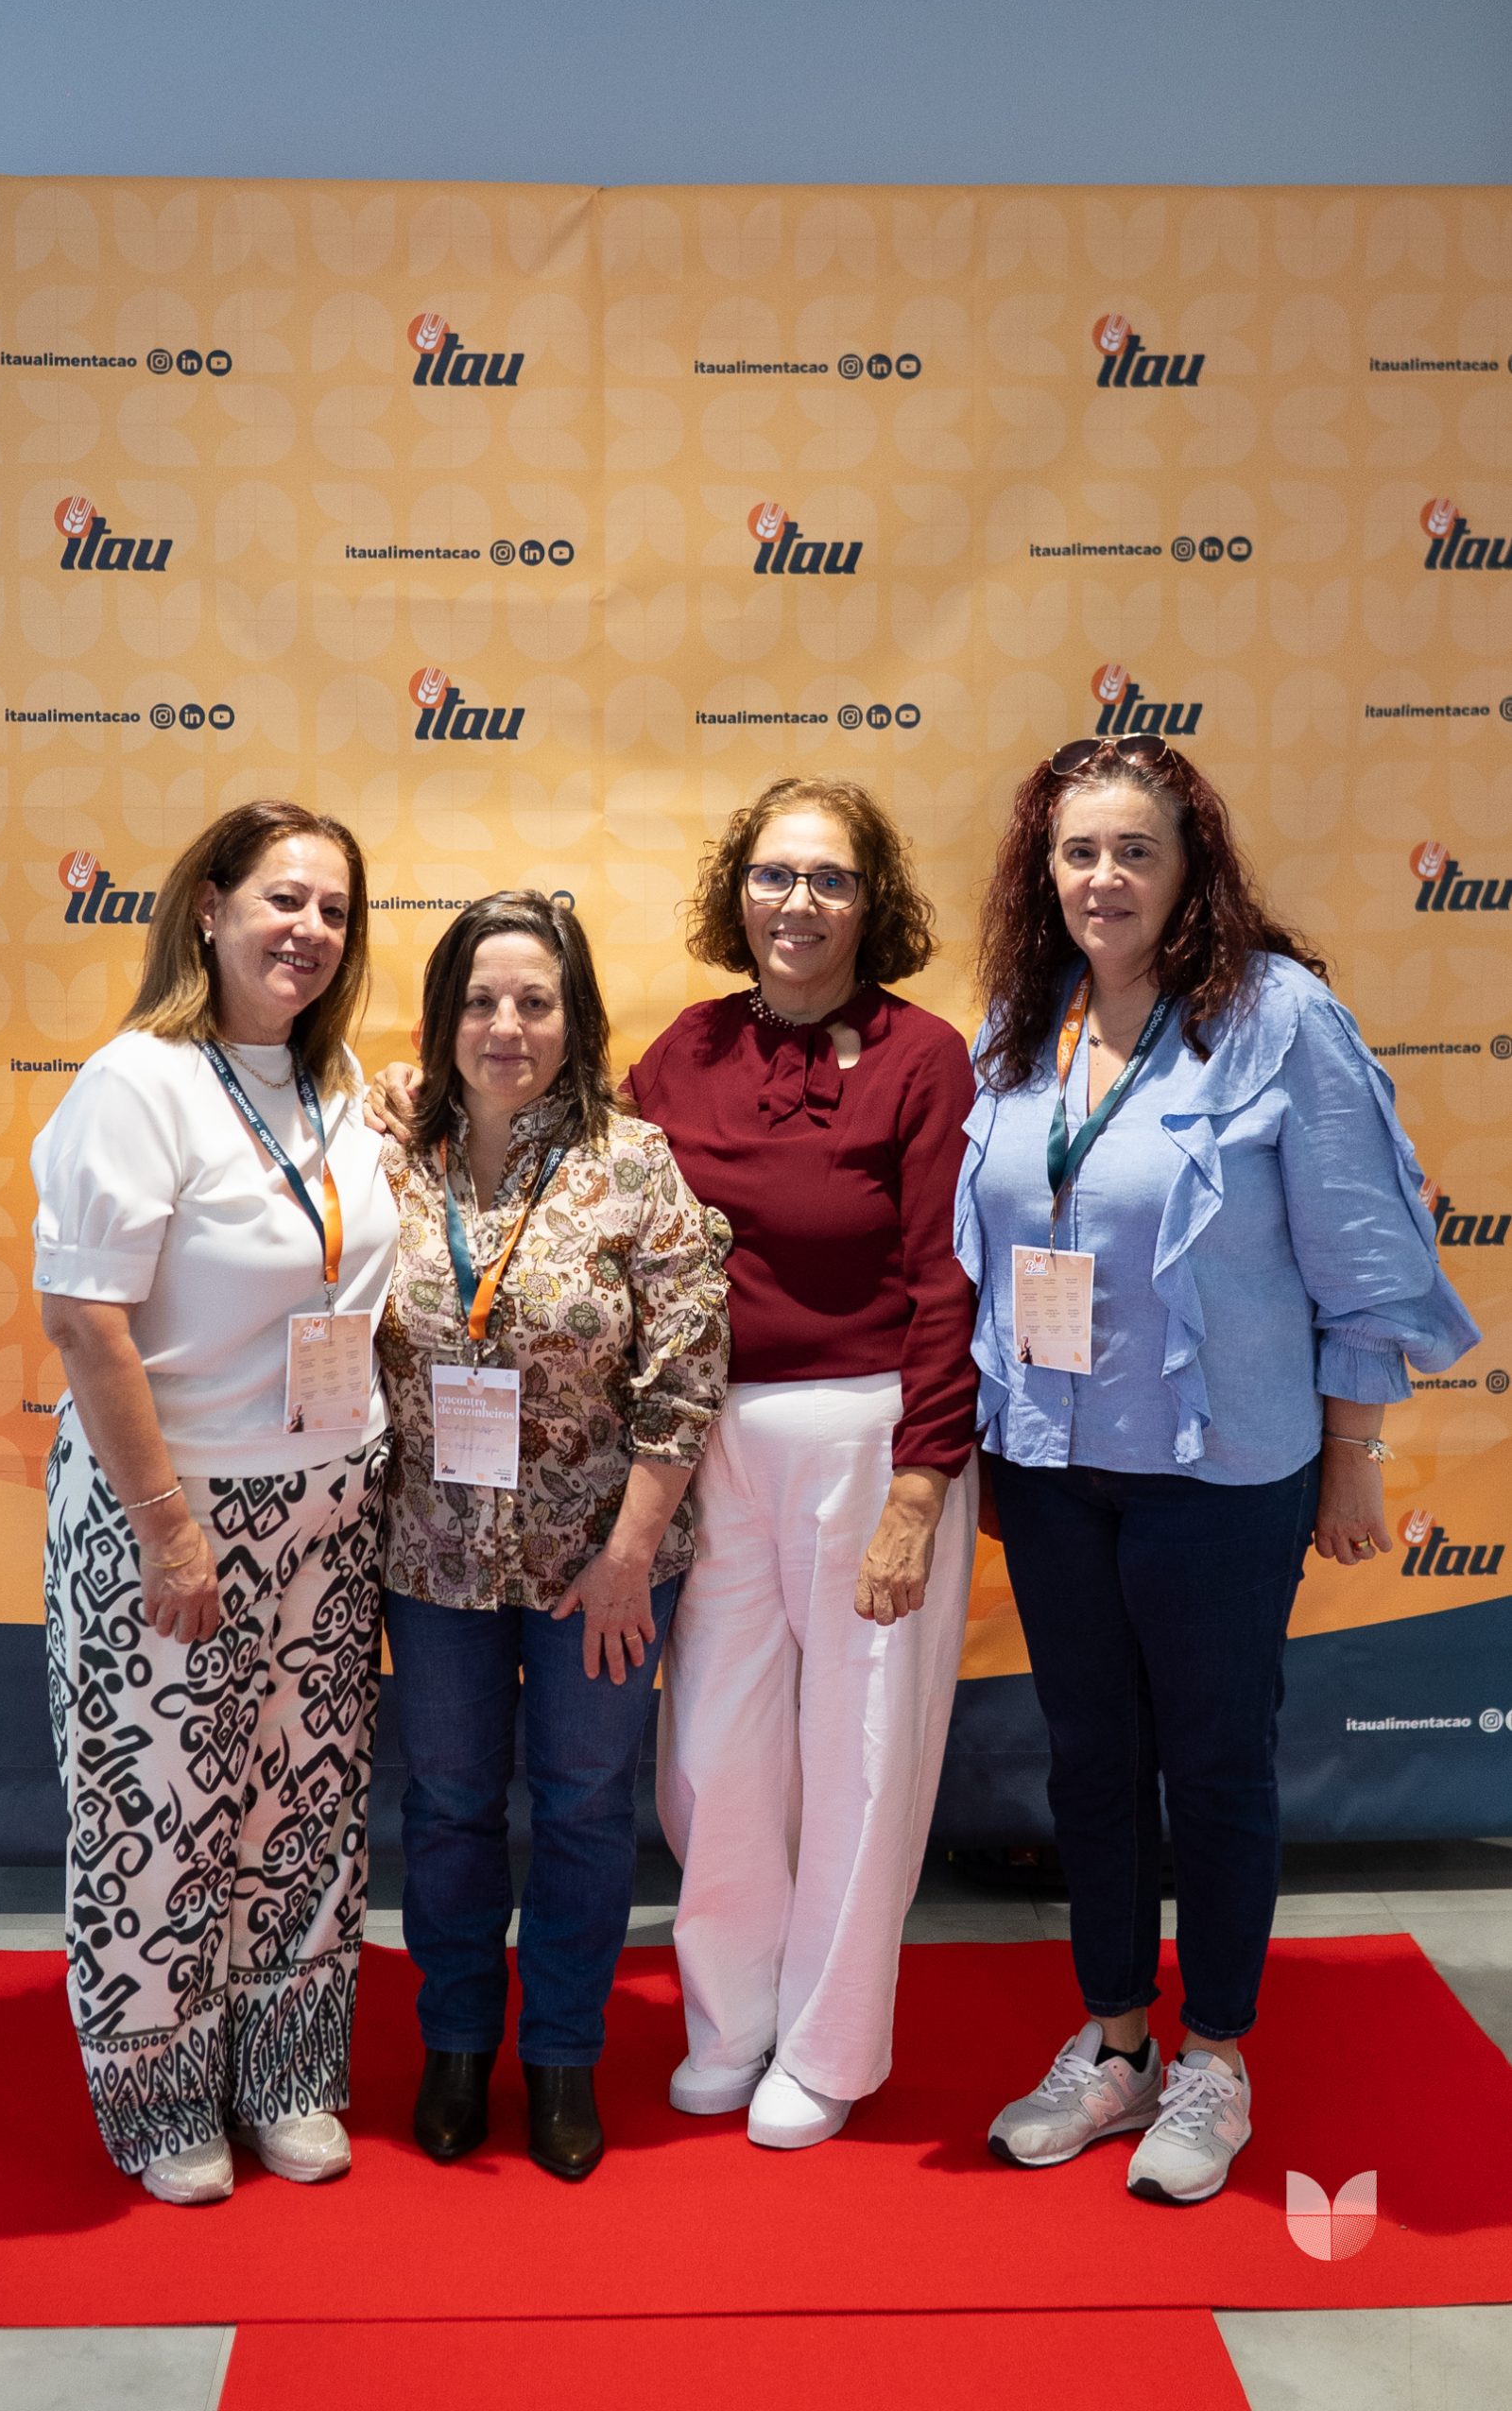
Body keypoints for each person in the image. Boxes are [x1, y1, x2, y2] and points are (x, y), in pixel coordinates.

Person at [957, 734, 1479, 2205]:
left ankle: (1218, 2057)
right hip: (1054, 1467)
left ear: (1193, 868)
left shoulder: (1277, 1017)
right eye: (1078, 852)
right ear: (1043, 870)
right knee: (1090, 1759)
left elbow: (1362, 1261)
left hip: (1223, 1472)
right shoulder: (1025, 1016)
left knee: (1217, 1763)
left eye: (1136, 850)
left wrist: (1354, 1457)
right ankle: (1116, 2042)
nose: (1103, 878)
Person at [33, 801, 399, 2206]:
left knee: (300, 1805)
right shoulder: (139, 1083)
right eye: (282, 900)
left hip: (327, 1508)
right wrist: (171, 1531)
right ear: (208, 908)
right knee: (160, 1813)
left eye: (334, 910)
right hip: (170, 1513)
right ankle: (163, 2090)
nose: (309, 930)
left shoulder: (335, 1079)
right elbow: (84, 1321)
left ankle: (286, 2071)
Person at [630, 777, 979, 2150]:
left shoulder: (922, 1056)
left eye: (831, 878)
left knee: (863, 1755)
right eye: (775, 874)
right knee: (714, 1752)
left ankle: (829, 2048)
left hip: (870, 1438)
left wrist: (921, 1482)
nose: (798, 902)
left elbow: (948, 1280)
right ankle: (730, 2021)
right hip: (710, 1442)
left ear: (870, 902)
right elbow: (582, 1178)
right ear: (740, 891)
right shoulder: (689, 1046)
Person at [375, 891, 730, 2182]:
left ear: (575, 1020)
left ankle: (566, 2051)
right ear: (442, 1018)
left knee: (583, 1808)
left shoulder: (632, 1164)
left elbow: (687, 1371)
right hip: (433, 1559)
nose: (506, 1026)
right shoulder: (387, 1155)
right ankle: (459, 2042)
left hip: (603, 1565)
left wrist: (630, 1557)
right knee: (451, 1805)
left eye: (535, 1001)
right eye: (480, 1001)